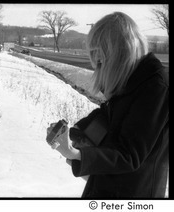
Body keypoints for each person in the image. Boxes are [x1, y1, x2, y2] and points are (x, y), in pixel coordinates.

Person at [47, 12, 168, 198]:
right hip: (106, 187)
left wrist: (75, 154)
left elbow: (129, 155)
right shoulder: (133, 79)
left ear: (115, 54)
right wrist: (74, 131)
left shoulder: (156, 88)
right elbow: (108, 114)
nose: (98, 67)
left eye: (100, 61)